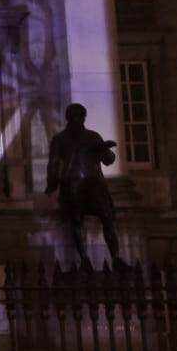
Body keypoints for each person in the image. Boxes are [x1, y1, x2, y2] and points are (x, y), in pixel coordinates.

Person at [46, 103, 125, 268]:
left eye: (80, 117)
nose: (78, 120)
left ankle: (113, 258)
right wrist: (52, 182)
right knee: (82, 221)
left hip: (87, 183)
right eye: (76, 117)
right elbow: (53, 164)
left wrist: (104, 149)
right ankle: (86, 258)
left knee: (103, 218)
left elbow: (108, 159)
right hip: (80, 184)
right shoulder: (67, 139)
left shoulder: (89, 137)